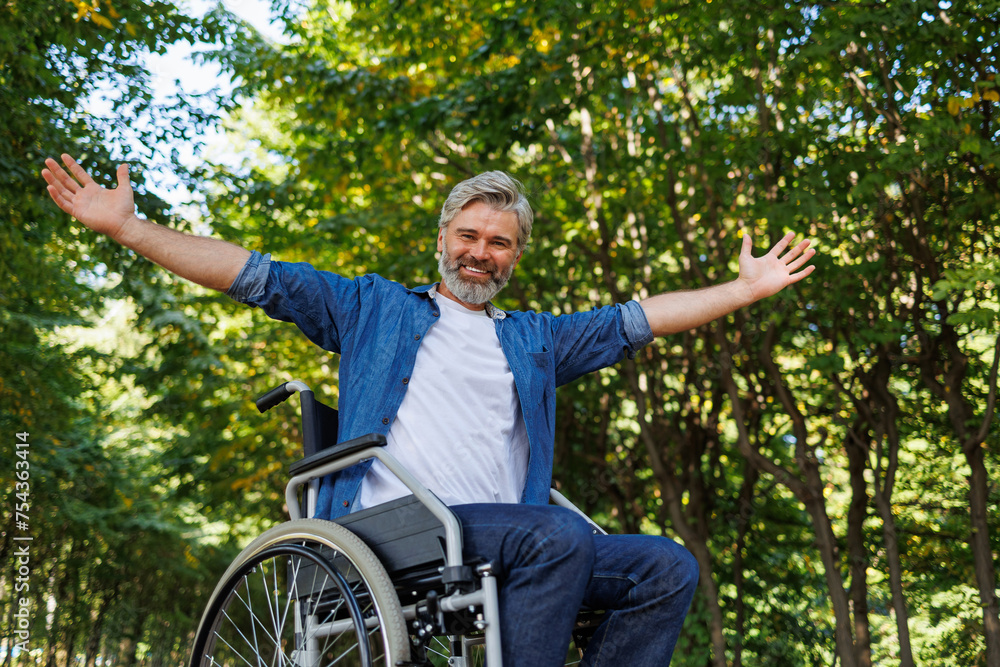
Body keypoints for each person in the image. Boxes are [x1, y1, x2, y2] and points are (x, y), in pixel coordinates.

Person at [42, 153, 816, 666]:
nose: (481, 251)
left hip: (507, 538)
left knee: (665, 566)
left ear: (516, 255)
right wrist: (130, 227)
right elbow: (254, 275)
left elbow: (636, 320)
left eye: (500, 242)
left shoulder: (536, 339)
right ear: (443, 237)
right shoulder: (372, 307)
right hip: (399, 528)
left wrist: (743, 289)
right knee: (555, 536)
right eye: (469, 234)